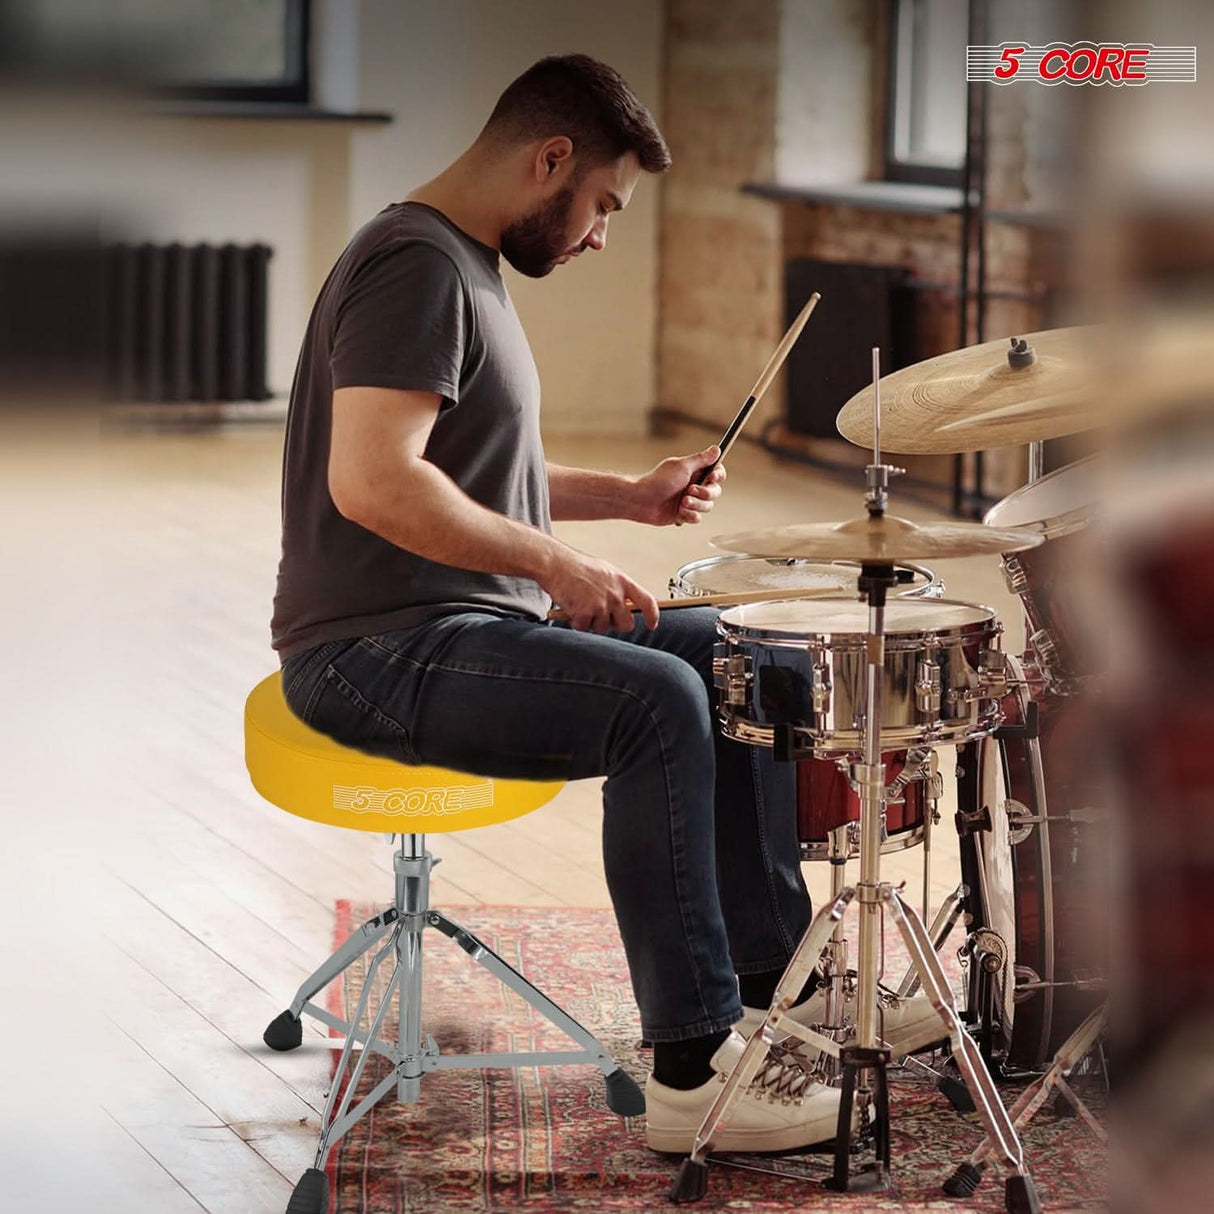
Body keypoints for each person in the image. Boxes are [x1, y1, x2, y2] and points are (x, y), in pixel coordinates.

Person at [271, 54, 932, 1154]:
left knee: (741, 652)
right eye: (605, 205)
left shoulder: (461, 262)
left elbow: (469, 473)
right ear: (549, 160)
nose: (600, 235)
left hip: (455, 626)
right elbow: (375, 482)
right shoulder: (417, 266)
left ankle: (779, 986)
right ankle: (691, 1071)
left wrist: (626, 496)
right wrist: (556, 563)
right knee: (654, 700)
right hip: (374, 650)